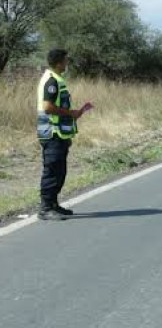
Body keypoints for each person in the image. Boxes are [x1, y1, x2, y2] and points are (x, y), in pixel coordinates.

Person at [37, 48, 92, 220]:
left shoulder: (57, 79)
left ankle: (53, 204)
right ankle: (45, 208)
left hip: (59, 133)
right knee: (52, 169)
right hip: (52, 132)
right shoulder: (51, 80)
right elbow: (47, 107)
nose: (67, 63)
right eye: (66, 60)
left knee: (60, 170)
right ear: (59, 62)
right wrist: (71, 113)